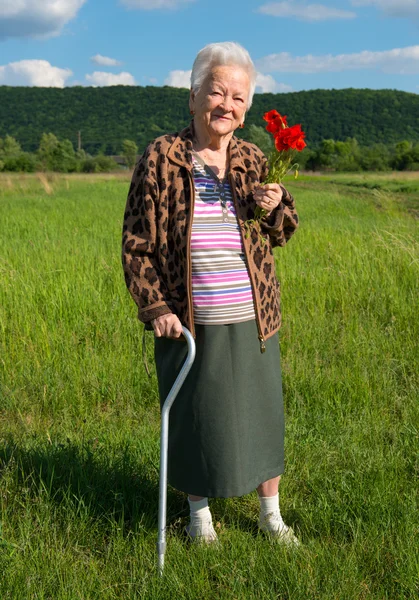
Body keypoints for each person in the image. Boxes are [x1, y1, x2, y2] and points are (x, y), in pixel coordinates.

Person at [122, 41, 299, 545]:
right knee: (194, 416)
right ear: (194, 96)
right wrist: (154, 305)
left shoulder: (252, 157)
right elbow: (136, 243)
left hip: (252, 315)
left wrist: (276, 203)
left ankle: (271, 516)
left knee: (262, 415)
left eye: (238, 98)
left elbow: (282, 233)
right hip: (188, 319)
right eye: (216, 91)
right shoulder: (162, 156)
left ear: (245, 112)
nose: (227, 104)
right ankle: (200, 519)